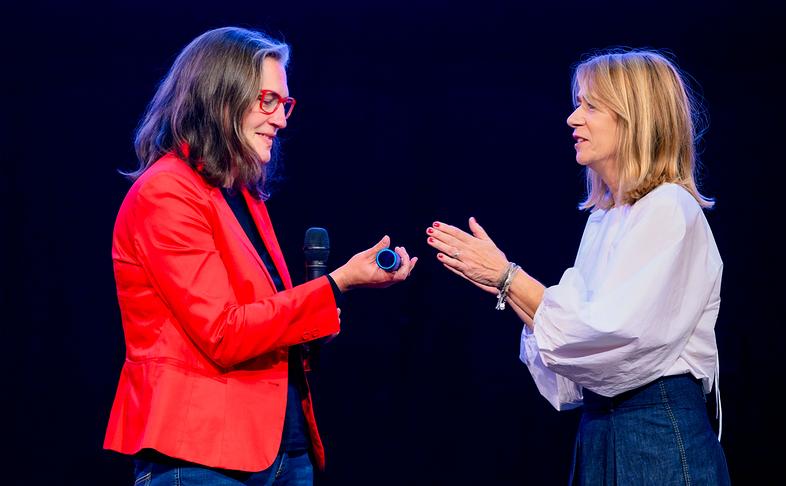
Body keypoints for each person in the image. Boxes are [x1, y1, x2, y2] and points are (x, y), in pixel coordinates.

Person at [104, 26, 417, 485]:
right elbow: (225, 332)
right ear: (220, 97)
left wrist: (330, 304)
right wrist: (337, 283)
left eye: (284, 104)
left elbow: (263, 321)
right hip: (202, 458)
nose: (282, 119)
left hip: (280, 452)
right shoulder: (167, 193)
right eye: (268, 100)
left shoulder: (242, 194)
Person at [426, 49, 730, 485]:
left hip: (655, 434)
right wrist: (504, 284)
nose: (572, 118)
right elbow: (574, 349)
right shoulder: (606, 220)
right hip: (603, 430)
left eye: (590, 105)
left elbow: (612, 334)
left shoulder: (669, 209)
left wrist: (507, 277)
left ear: (634, 119)